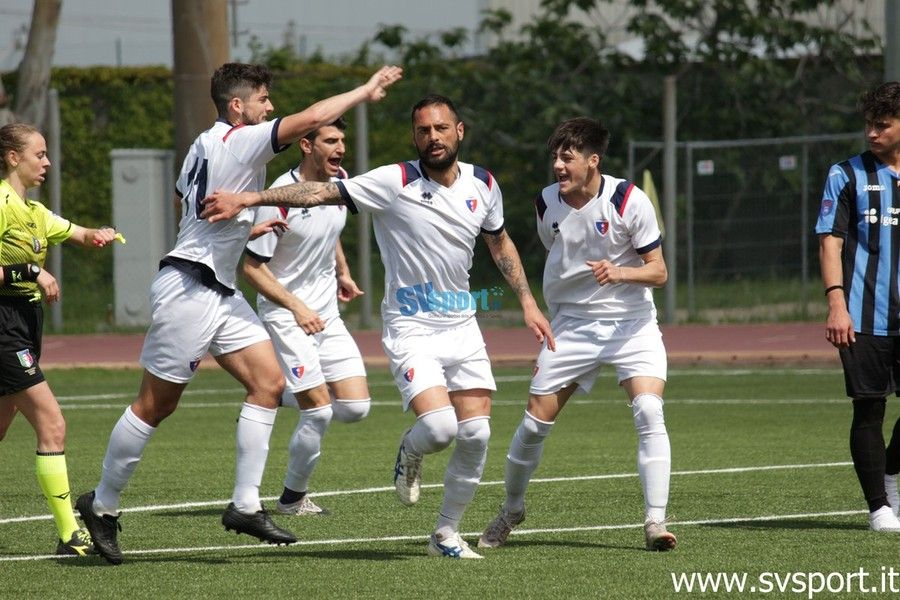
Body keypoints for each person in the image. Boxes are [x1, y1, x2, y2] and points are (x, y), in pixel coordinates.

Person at [201, 93, 555, 559]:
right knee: (441, 429)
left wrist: (528, 302)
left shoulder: (484, 184)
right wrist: (252, 196)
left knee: (479, 434)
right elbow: (319, 193)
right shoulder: (394, 180)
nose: (433, 138)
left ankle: (445, 534)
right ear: (415, 136)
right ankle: (410, 451)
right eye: (423, 130)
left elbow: (500, 242)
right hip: (411, 327)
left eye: (441, 129)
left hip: (463, 323)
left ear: (459, 132)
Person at [76, 62, 402, 565]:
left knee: (269, 384)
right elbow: (310, 117)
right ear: (237, 106)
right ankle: (102, 505)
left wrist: (238, 226)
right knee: (154, 406)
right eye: (263, 99)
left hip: (220, 290)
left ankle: (246, 506)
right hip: (189, 289)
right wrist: (365, 89)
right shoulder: (238, 139)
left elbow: (190, 201)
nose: (269, 107)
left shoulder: (203, 144)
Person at [477, 117, 676, 552]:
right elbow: (562, 258)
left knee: (648, 411)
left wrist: (619, 272)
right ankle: (511, 510)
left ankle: (655, 522)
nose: (558, 166)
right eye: (555, 157)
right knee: (533, 425)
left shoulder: (628, 199)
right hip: (571, 327)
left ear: (593, 160)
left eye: (567, 157)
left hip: (632, 326)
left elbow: (659, 271)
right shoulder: (546, 203)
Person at [0, 122, 119, 556]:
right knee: (52, 425)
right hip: (3, 326)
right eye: (40, 154)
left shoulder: (33, 211)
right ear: (14, 158)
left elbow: (77, 233)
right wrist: (30, 271)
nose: (47, 162)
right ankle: (71, 534)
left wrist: (97, 234)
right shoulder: (0, 203)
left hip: (24, 324)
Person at [243, 117, 371, 516]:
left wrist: (343, 271)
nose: (341, 149)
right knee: (318, 411)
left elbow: (330, 234)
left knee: (355, 407)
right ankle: (292, 499)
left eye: (343, 141)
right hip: (286, 317)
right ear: (306, 145)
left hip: (327, 316)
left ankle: (274, 393)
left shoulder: (339, 183)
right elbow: (251, 267)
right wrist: (297, 307)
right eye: (331, 140)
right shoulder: (279, 198)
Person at [816, 81, 900, 533]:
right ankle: (879, 508)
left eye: (882, 125)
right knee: (869, 409)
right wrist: (836, 303)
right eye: (869, 124)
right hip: (865, 316)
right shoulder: (845, 174)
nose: (872, 133)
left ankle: (889, 473)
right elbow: (830, 239)